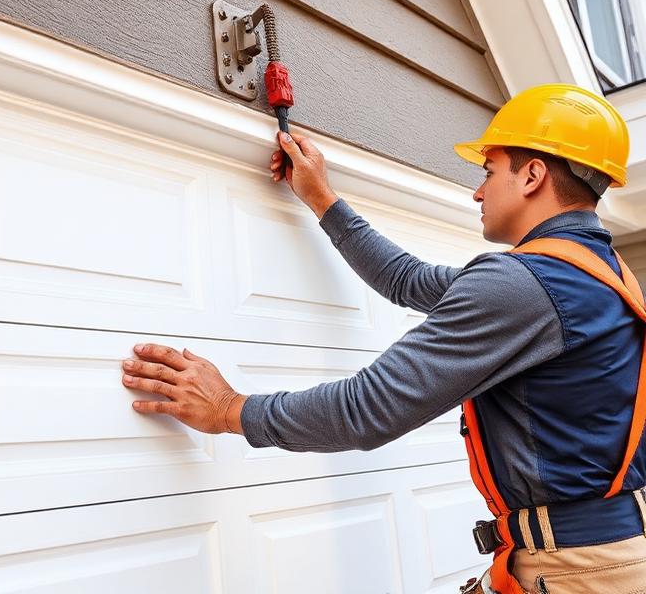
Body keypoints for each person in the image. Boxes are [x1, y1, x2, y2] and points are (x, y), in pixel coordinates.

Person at [121, 84, 645, 594]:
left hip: (579, 571)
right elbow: (409, 280)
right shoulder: (598, 273)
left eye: (488, 172)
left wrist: (229, 409)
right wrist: (323, 199)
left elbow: (366, 410)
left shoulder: (525, 285)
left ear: (532, 175)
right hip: (607, 554)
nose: (478, 191)